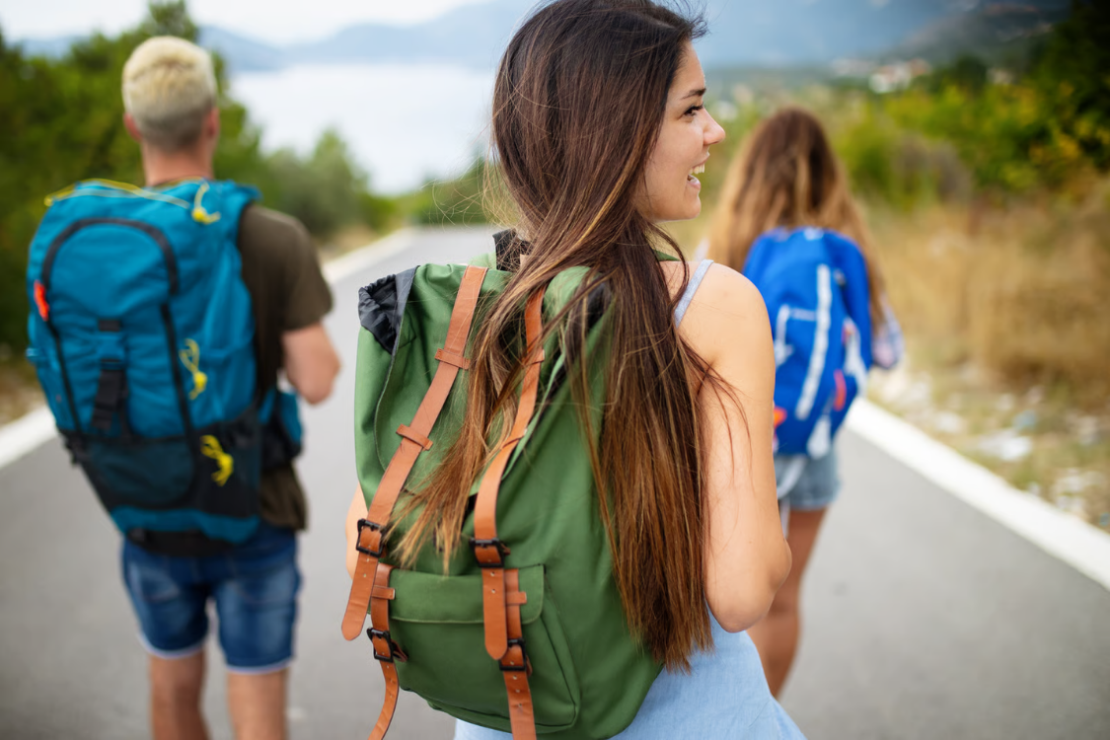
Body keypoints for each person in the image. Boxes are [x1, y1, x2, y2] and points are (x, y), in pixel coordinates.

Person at [344, 2, 803, 737]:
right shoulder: (713, 305)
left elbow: (367, 537)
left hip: (508, 713)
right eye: (692, 112)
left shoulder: (462, 305)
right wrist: (777, 543)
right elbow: (743, 589)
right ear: (617, 133)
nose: (713, 133)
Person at [95, 37, 338, 740]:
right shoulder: (272, 237)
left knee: (170, 688)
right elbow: (317, 380)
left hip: (147, 506)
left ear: (134, 125)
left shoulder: (110, 245)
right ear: (213, 120)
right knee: (257, 709)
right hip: (253, 508)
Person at [708, 106, 903, 697]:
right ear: (827, 170)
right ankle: (768, 717)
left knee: (729, 597)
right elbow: (886, 350)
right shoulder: (848, 249)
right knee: (784, 600)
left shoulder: (728, 242)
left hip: (739, 444)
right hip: (815, 446)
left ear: (751, 169)